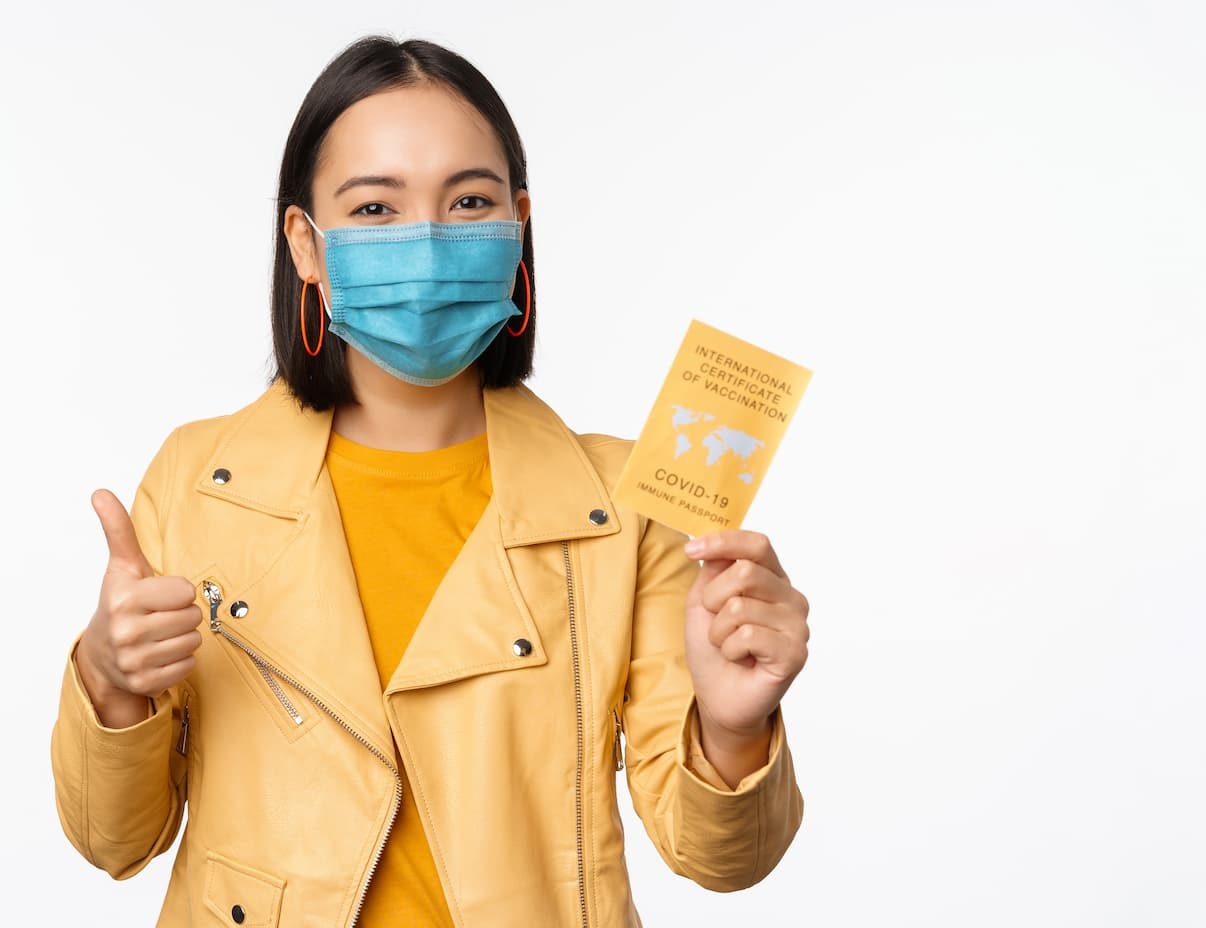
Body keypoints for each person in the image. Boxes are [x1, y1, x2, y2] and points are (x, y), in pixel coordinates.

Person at [51, 35, 807, 927]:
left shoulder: (625, 508)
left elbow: (719, 860)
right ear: (306, 244)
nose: (428, 240)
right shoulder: (197, 480)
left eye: (470, 200)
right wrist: (109, 681)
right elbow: (114, 842)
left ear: (518, 224)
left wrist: (732, 727)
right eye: (375, 207)